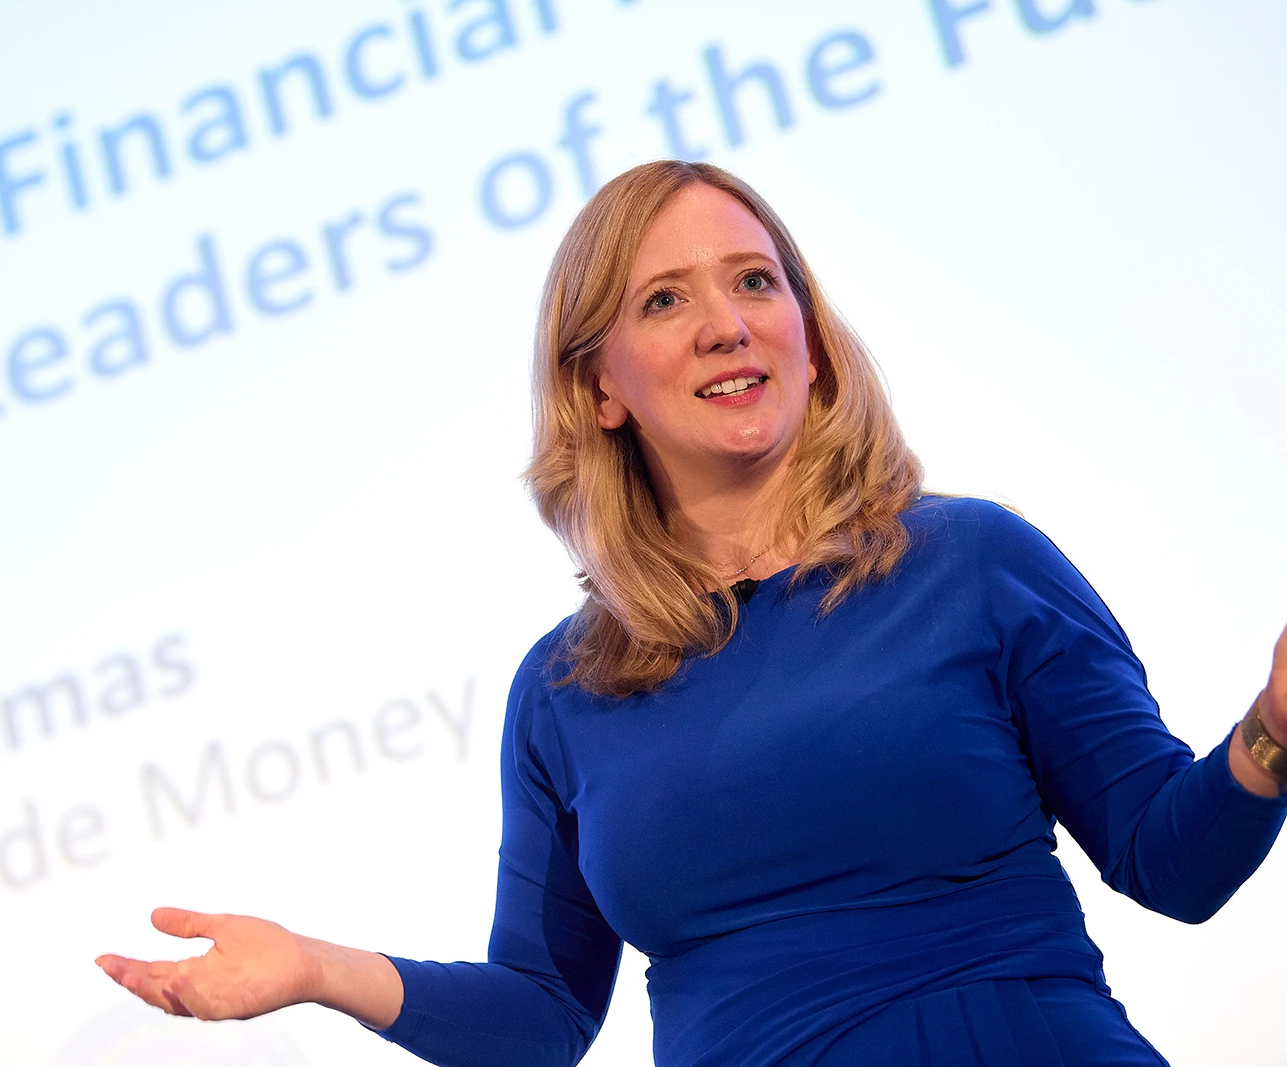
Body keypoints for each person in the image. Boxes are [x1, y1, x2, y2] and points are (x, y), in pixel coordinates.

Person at [95, 160, 1287, 1065]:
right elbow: (546, 1011)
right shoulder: (562, 691)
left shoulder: (974, 560)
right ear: (598, 385)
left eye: (754, 281)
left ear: (807, 338)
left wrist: (1273, 727)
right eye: (664, 298)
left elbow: (1164, 856)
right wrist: (315, 967)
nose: (725, 321)